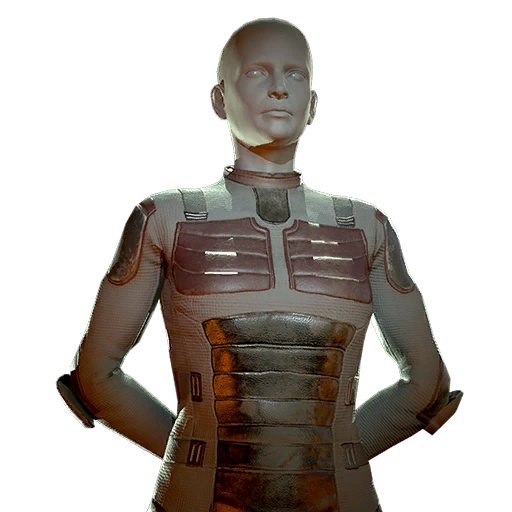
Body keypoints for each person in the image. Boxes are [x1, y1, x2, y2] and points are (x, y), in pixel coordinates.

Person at [57, 17, 462, 512]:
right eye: (256, 72)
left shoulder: (367, 226)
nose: (278, 88)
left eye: (295, 74)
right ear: (218, 98)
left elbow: (428, 387)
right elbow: (92, 379)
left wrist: (195, 458)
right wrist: (201, 458)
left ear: (313, 100)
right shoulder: (164, 219)